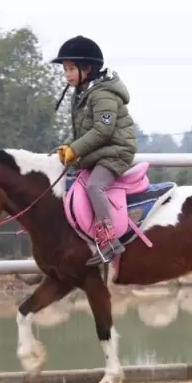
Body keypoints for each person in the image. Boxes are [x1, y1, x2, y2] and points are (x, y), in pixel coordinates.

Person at [51, 35, 138, 267]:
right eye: (65, 69)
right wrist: (70, 147)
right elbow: (84, 131)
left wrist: (75, 149)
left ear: (87, 68)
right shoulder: (81, 92)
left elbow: (103, 130)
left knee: (94, 186)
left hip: (115, 151)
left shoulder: (102, 94)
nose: (66, 74)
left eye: (70, 69)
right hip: (100, 151)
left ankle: (110, 241)